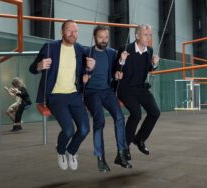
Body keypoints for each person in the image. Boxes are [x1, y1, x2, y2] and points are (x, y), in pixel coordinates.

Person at [29, 20, 95, 171]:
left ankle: (71, 151)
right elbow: (32, 68)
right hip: (55, 96)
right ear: (62, 32)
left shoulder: (79, 49)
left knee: (84, 129)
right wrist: (39, 66)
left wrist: (90, 70)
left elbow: (85, 72)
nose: (73, 34)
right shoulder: (50, 47)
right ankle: (60, 151)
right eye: (69, 30)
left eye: (75, 31)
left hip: (74, 95)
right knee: (68, 130)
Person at [83, 25, 132, 172]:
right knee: (100, 120)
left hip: (107, 91)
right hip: (91, 92)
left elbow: (117, 69)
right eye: (100, 37)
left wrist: (118, 73)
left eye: (106, 37)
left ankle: (121, 154)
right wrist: (84, 75)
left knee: (119, 117)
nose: (104, 40)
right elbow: (79, 74)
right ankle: (101, 158)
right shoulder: (86, 52)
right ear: (94, 37)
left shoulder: (111, 53)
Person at [116, 24, 161, 160]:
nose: (149, 38)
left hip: (141, 88)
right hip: (126, 88)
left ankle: (139, 139)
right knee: (136, 114)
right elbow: (117, 69)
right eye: (146, 35)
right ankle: (124, 148)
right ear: (137, 36)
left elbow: (148, 68)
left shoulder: (150, 51)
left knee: (155, 112)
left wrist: (154, 64)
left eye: (150, 35)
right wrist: (122, 60)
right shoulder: (125, 49)